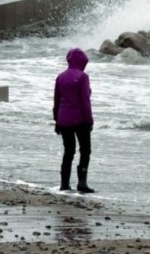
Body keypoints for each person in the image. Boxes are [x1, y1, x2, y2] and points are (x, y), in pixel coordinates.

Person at [53, 48, 95, 193]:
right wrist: (89, 120)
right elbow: (85, 101)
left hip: (64, 120)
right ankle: (82, 183)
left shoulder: (60, 77)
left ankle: (64, 184)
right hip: (80, 120)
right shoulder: (83, 77)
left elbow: (56, 101)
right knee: (85, 150)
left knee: (68, 151)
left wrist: (56, 121)